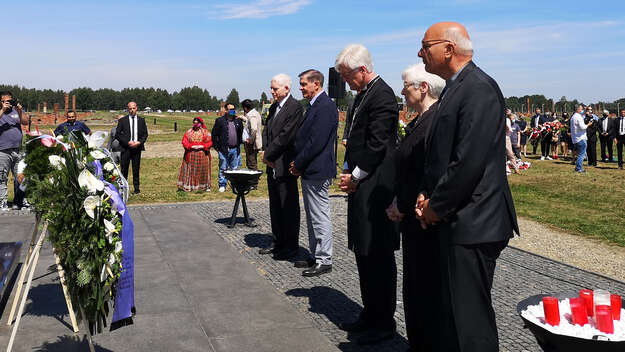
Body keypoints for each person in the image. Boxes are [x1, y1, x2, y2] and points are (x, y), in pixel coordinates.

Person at [416, 22, 519, 351]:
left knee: (469, 321)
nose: (420, 53)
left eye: (425, 45)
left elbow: (468, 163)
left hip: (475, 222)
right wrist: (425, 193)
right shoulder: (454, 87)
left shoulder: (478, 88)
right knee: (452, 315)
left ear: (447, 49)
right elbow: (441, 153)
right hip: (458, 218)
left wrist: (435, 207)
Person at [335, 44, 400, 346]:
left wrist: (356, 176)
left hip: (375, 186)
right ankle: (370, 312)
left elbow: (377, 145)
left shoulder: (383, 95)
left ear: (363, 70)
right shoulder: (363, 94)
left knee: (377, 253)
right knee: (363, 250)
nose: (347, 83)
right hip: (362, 183)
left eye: (349, 77)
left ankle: (383, 321)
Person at [385, 63, 444, 351]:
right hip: (409, 213)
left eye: (406, 85)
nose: (402, 91)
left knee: (424, 288)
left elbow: (426, 173)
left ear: (423, 88)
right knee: (414, 287)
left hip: (422, 217)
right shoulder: (419, 120)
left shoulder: (435, 121)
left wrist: (404, 205)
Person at [289, 69, 338, 277]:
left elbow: (315, 142)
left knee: (319, 215)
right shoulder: (314, 105)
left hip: (317, 169)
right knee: (312, 216)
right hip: (310, 169)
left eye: (303, 84)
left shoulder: (325, 106)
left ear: (316, 84)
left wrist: (298, 163)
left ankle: (324, 258)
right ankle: (315, 254)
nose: (300, 88)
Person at [259, 74, 302, 260]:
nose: (272, 91)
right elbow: (267, 131)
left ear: (286, 88)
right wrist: (264, 151)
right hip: (272, 165)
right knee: (275, 205)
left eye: (275, 88)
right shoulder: (274, 107)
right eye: (271, 88)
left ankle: (290, 245)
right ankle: (277, 241)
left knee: (288, 207)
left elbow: (286, 136)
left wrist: (269, 156)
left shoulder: (295, 108)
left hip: (285, 165)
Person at [0, 91, 29, 211]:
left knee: (21, 177)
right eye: (5, 101)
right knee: (2, 177)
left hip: (18, 150)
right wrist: (2, 109)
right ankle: (3, 202)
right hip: (3, 150)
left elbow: (26, 122)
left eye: (10, 101)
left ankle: (21, 201)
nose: (8, 103)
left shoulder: (15, 111)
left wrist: (20, 110)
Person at [115, 102, 148, 194]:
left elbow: (145, 134)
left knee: (136, 169)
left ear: (136, 108)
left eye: (133, 108)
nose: (132, 110)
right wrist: (127, 142)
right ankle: (124, 189)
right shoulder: (123, 120)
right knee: (124, 169)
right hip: (125, 148)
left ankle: (137, 189)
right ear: (128, 109)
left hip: (137, 149)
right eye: (130, 108)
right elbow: (118, 134)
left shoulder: (141, 120)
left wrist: (139, 142)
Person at [211, 103, 243, 192]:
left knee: (234, 168)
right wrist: (216, 147)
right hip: (223, 149)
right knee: (223, 167)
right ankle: (222, 184)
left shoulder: (238, 121)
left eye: (234, 109)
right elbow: (214, 134)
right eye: (230, 109)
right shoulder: (220, 121)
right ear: (226, 110)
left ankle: (234, 185)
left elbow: (241, 134)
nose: (233, 110)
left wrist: (239, 145)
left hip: (235, 149)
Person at [177, 117, 212, 192]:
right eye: (194, 122)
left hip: (202, 154)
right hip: (191, 154)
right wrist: (191, 146)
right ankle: (190, 186)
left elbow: (210, 142)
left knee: (202, 171)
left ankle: (203, 186)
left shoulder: (205, 132)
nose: (195, 124)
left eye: (197, 122)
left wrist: (203, 146)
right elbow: (184, 141)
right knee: (190, 171)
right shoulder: (189, 132)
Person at [240, 99, 262, 170]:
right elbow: (251, 122)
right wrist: (244, 119)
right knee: (252, 161)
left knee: (251, 162)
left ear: (245, 108)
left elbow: (254, 128)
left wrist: (250, 140)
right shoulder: (254, 113)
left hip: (251, 144)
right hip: (252, 142)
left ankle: (253, 179)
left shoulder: (251, 115)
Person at [570, 105, 593, 173]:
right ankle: (579, 168)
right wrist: (588, 124)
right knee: (581, 154)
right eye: (581, 109)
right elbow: (582, 127)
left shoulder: (573, 116)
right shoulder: (578, 117)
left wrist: (585, 110)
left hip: (575, 138)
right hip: (580, 138)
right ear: (578, 109)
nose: (582, 110)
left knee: (579, 154)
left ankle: (578, 167)